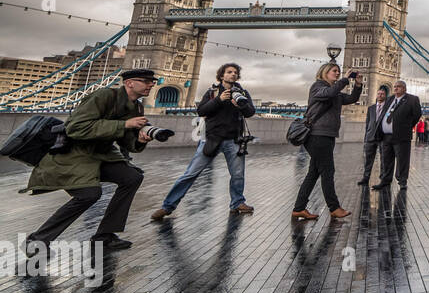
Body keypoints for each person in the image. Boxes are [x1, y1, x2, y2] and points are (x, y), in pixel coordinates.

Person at [23, 69, 160, 252]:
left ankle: (105, 236)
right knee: (89, 194)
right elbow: (75, 128)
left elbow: (126, 141)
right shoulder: (103, 96)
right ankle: (37, 240)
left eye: (153, 81)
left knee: (132, 177)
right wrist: (124, 124)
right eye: (146, 81)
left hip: (101, 155)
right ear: (129, 83)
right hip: (74, 155)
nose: (151, 84)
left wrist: (140, 141)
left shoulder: (136, 106)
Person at [152, 62, 257, 221]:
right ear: (222, 75)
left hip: (234, 140)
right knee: (190, 174)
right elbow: (201, 111)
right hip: (211, 139)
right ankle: (167, 206)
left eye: (235, 72)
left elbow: (250, 112)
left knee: (238, 175)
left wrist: (240, 105)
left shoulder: (242, 92)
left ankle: (237, 203)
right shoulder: (212, 92)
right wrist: (219, 100)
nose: (233, 74)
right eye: (229, 72)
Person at [292, 62, 363, 220]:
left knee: (313, 173)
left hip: (327, 135)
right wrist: (344, 80)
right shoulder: (318, 87)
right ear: (324, 72)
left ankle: (299, 208)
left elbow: (351, 98)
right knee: (328, 171)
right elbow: (329, 93)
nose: (337, 73)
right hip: (317, 135)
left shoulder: (334, 92)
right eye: (334, 71)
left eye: (338, 71)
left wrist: (358, 85)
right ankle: (334, 207)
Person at [374, 80, 421, 190]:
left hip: (401, 135)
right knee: (386, 159)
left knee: (402, 159)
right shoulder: (390, 99)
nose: (395, 88)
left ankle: (402, 181)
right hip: (386, 136)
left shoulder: (412, 99)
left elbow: (417, 114)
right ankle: (385, 180)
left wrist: (406, 126)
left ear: (404, 88)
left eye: (398, 87)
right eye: (394, 87)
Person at [357, 85, 389, 185]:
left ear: (385, 96)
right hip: (370, 136)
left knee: (384, 159)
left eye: (382, 94)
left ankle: (383, 178)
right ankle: (366, 178)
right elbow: (368, 123)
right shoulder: (371, 108)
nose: (380, 95)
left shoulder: (388, 108)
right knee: (368, 159)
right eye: (379, 94)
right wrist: (366, 137)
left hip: (383, 136)